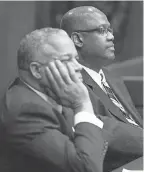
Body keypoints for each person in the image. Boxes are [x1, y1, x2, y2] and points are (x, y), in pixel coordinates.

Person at [0, 27, 108, 172]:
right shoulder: (24, 110)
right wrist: (82, 105)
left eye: (76, 59)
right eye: (66, 60)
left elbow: (108, 129)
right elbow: (87, 168)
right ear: (37, 70)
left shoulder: (59, 92)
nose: (78, 67)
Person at [60, 6, 143, 171]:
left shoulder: (110, 76)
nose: (112, 37)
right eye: (102, 31)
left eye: (110, 30)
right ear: (77, 39)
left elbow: (131, 123)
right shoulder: (70, 81)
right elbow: (99, 129)